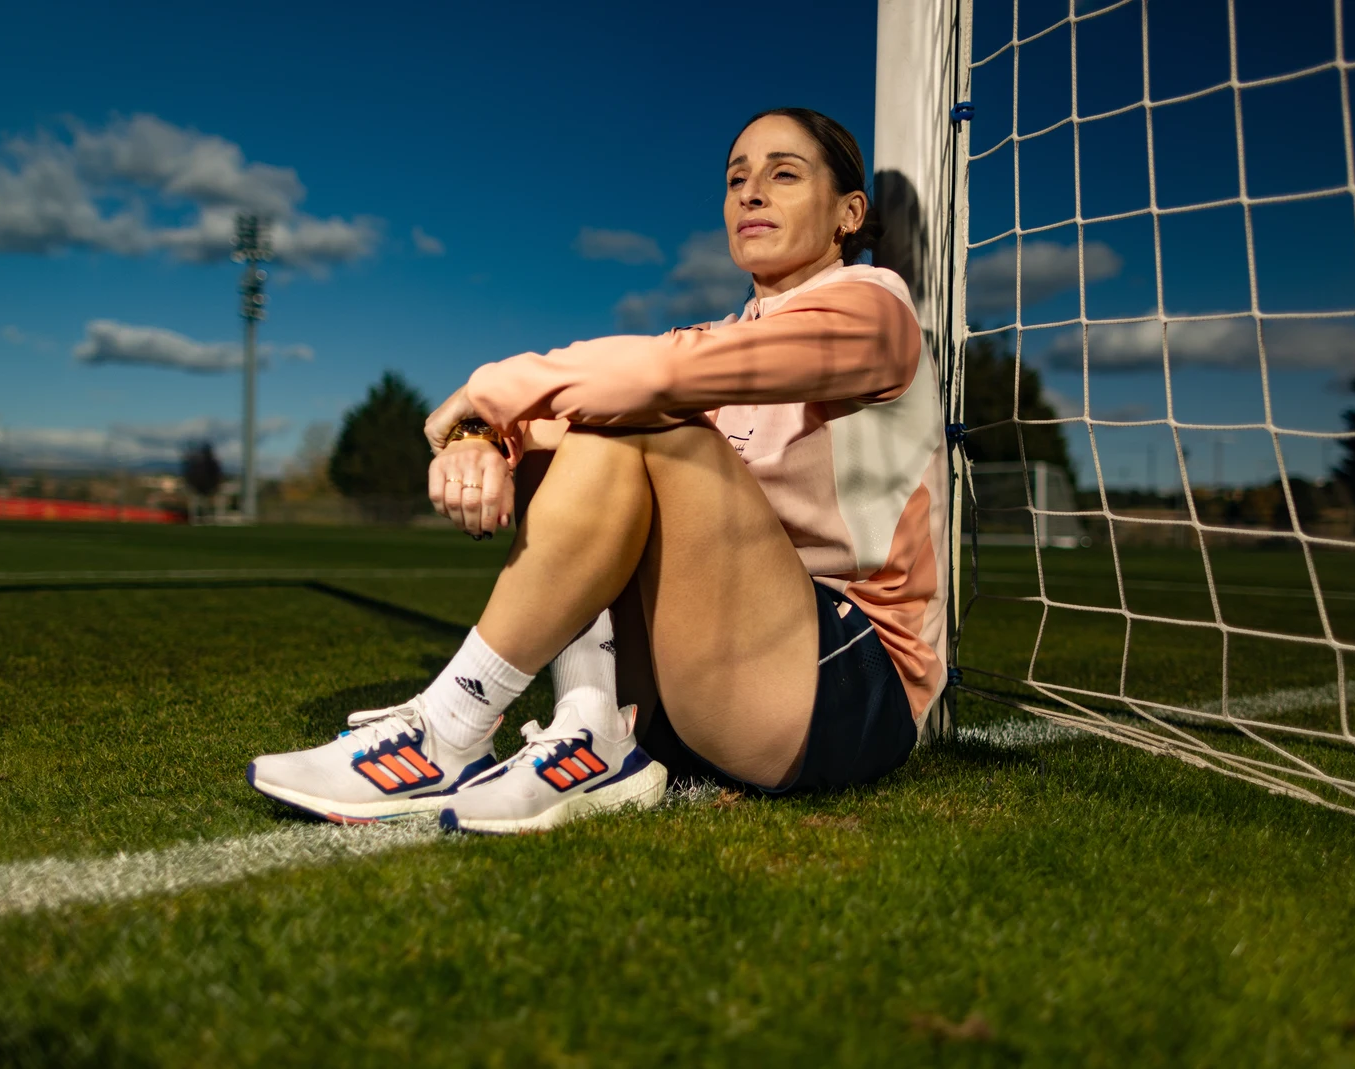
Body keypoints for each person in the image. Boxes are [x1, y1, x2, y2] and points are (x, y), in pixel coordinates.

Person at [248, 107, 948, 833]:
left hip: (845, 683)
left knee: (647, 420)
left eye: (783, 174)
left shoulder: (875, 312)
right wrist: (477, 435)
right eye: (736, 178)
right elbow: (592, 400)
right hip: (708, 676)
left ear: (848, 213)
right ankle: (592, 725)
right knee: (597, 425)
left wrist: (494, 388)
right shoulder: (710, 340)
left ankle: (450, 725)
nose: (751, 193)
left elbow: (652, 380)